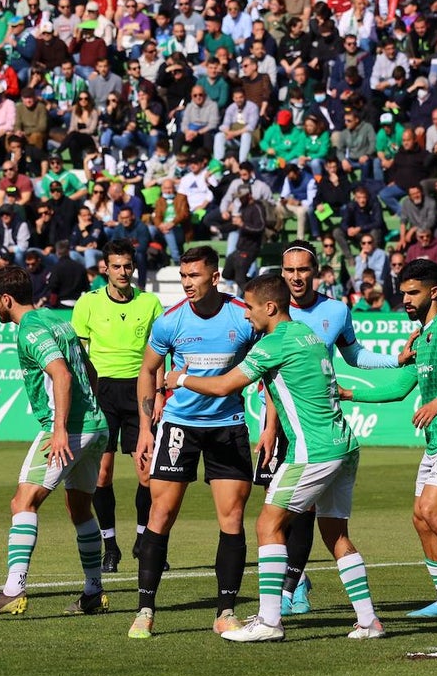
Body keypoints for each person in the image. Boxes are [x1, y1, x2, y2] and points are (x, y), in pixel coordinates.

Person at [162, 273, 385, 641]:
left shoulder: (273, 344)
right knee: (336, 533)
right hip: (344, 445)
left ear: (269, 307)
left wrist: (180, 381)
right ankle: (368, 620)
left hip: (313, 451)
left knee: (268, 525)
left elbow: (223, 385)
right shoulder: (309, 335)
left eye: (249, 307)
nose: (245, 315)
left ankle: (268, 621)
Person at [263, 241, 412, 616]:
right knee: (286, 513)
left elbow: (355, 355)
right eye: (289, 270)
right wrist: (268, 427)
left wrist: (395, 359)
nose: (296, 277)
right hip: (285, 422)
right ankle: (296, 586)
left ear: (317, 271)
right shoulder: (271, 311)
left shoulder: (335, 311)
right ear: (281, 273)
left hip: (317, 426)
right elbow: (268, 374)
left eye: (303, 270)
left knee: (294, 514)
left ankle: (286, 592)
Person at [341, 260, 437, 621]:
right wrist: (346, 393)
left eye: (413, 293)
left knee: (431, 510)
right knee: (420, 518)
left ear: (434, 292)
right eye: (403, 293)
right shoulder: (423, 335)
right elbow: (398, 388)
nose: (405, 299)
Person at [0, 266, 111, 619]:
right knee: (79, 508)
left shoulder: (30, 331)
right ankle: (93, 591)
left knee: (23, 501)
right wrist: (88, 410)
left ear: (6, 299)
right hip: (95, 424)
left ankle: (13, 590)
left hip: (68, 429)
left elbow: (61, 373)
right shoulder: (55, 319)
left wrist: (61, 428)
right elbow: (88, 369)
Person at [130, 246, 255, 639]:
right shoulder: (170, 321)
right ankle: (145, 611)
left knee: (232, 519)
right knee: (160, 515)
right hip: (178, 427)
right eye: (183, 277)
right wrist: (147, 429)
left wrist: (268, 424)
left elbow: (268, 366)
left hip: (229, 425)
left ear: (214, 277)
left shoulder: (243, 315)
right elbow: (148, 371)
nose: (187, 284)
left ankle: (225, 612)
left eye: (195, 276)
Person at [71, 240, 163, 574]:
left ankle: (145, 541)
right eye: (116, 266)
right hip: (102, 392)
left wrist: (160, 394)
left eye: (127, 266)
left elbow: (160, 354)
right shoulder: (88, 304)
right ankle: (111, 548)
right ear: (105, 269)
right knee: (103, 474)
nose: (123, 272)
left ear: (133, 268)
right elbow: (79, 356)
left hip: (140, 390)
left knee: (147, 472)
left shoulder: (150, 303)